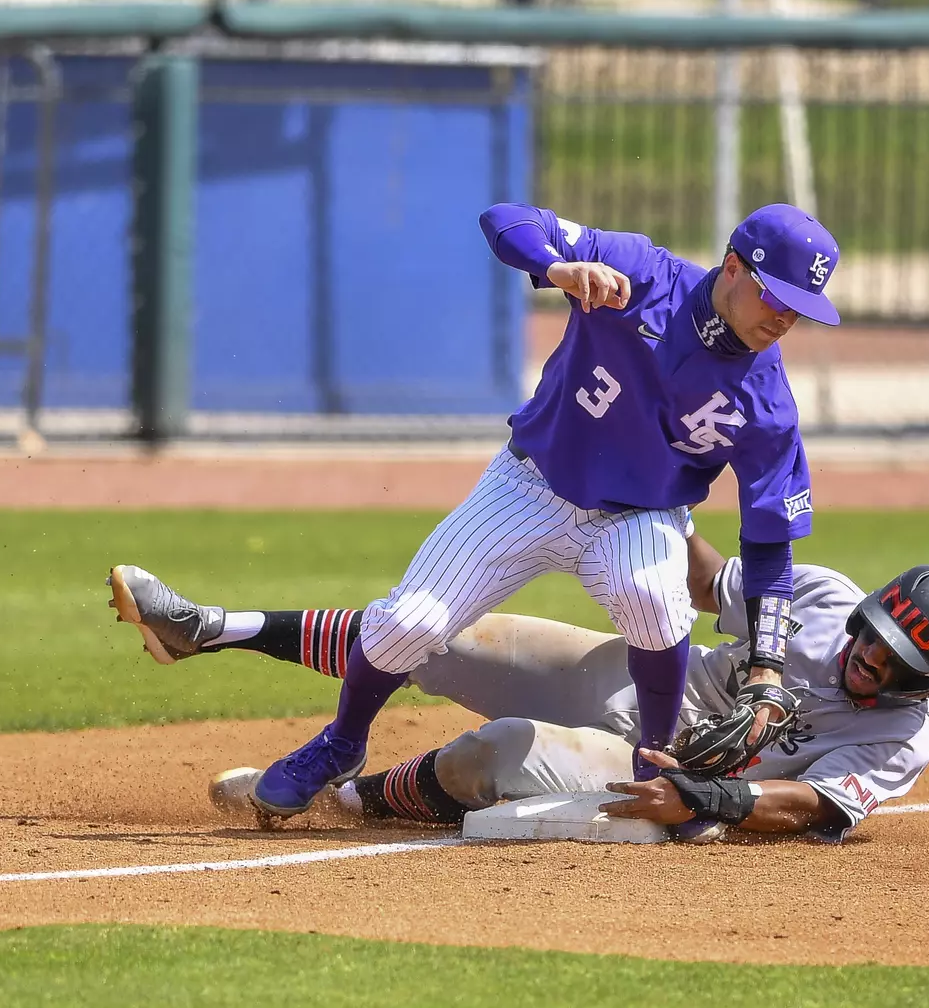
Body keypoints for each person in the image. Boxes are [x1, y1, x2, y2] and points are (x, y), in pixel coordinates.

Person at [109, 202, 843, 820]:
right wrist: (556, 268)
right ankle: (343, 742)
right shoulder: (642, 272)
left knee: (653, 598)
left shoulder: (767, 403)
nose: (785, 319)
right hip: (529, 485)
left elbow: (771, 543)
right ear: (736, 265)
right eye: (777, 295)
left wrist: (769, 667)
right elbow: (506, 219)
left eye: (802, 310)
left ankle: (658, 764)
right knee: (410, 624)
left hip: (640, 517)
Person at [113, 531, 929, 843]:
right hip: (652, 685)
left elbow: (817, 806)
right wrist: (656, 499)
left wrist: (710, 795)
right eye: (869, 641)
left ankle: (351, 800)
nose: (863, 662)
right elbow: (705, 585)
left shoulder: (905, 737)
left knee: (496, 754)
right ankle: (205, 629)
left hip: (663, 772)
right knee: (434, 632)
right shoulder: (826, 597)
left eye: (888, 668)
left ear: (923, 682)